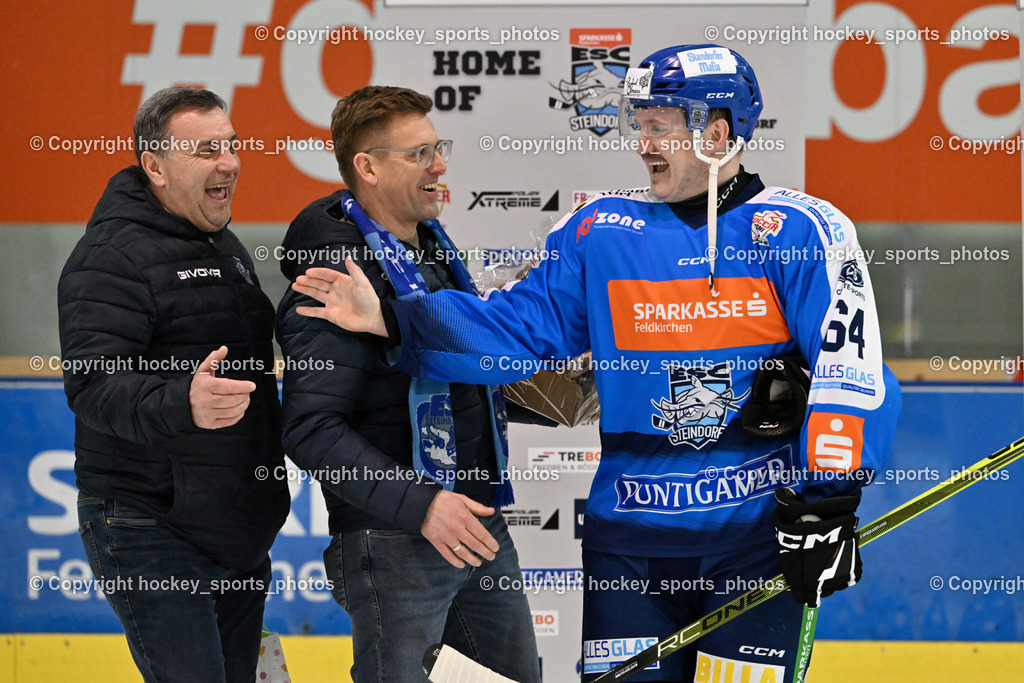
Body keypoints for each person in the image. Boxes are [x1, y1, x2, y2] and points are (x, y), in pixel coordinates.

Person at [293, 46, 902, 681]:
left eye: (659, 127)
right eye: (639, 125)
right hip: (627, 551)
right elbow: (515, 329)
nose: (642, 143)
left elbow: (849, 369)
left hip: (751, 543)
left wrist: (825, 502)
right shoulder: (601, 231)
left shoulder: (802, 231)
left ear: (718, 133)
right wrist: (397, 318)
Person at [275, 85, 541, 683]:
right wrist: (423, 507)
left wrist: (543, 389)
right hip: (395, 538)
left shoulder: (433, 252)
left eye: (437, 147)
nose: (440, 164)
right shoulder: (333, 275)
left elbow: (450, 377)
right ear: (366, 167)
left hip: (476, 518)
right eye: (418, 154)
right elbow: (311, 429)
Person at [58, 86, 289, 683]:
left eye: (232, 146)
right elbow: (92, 385)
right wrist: (182, 401)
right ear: (155, 166)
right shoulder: (110, 255)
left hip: (235, 528)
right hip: (148, 523)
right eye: (207, 149)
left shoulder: (223, 245)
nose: (230, 163)